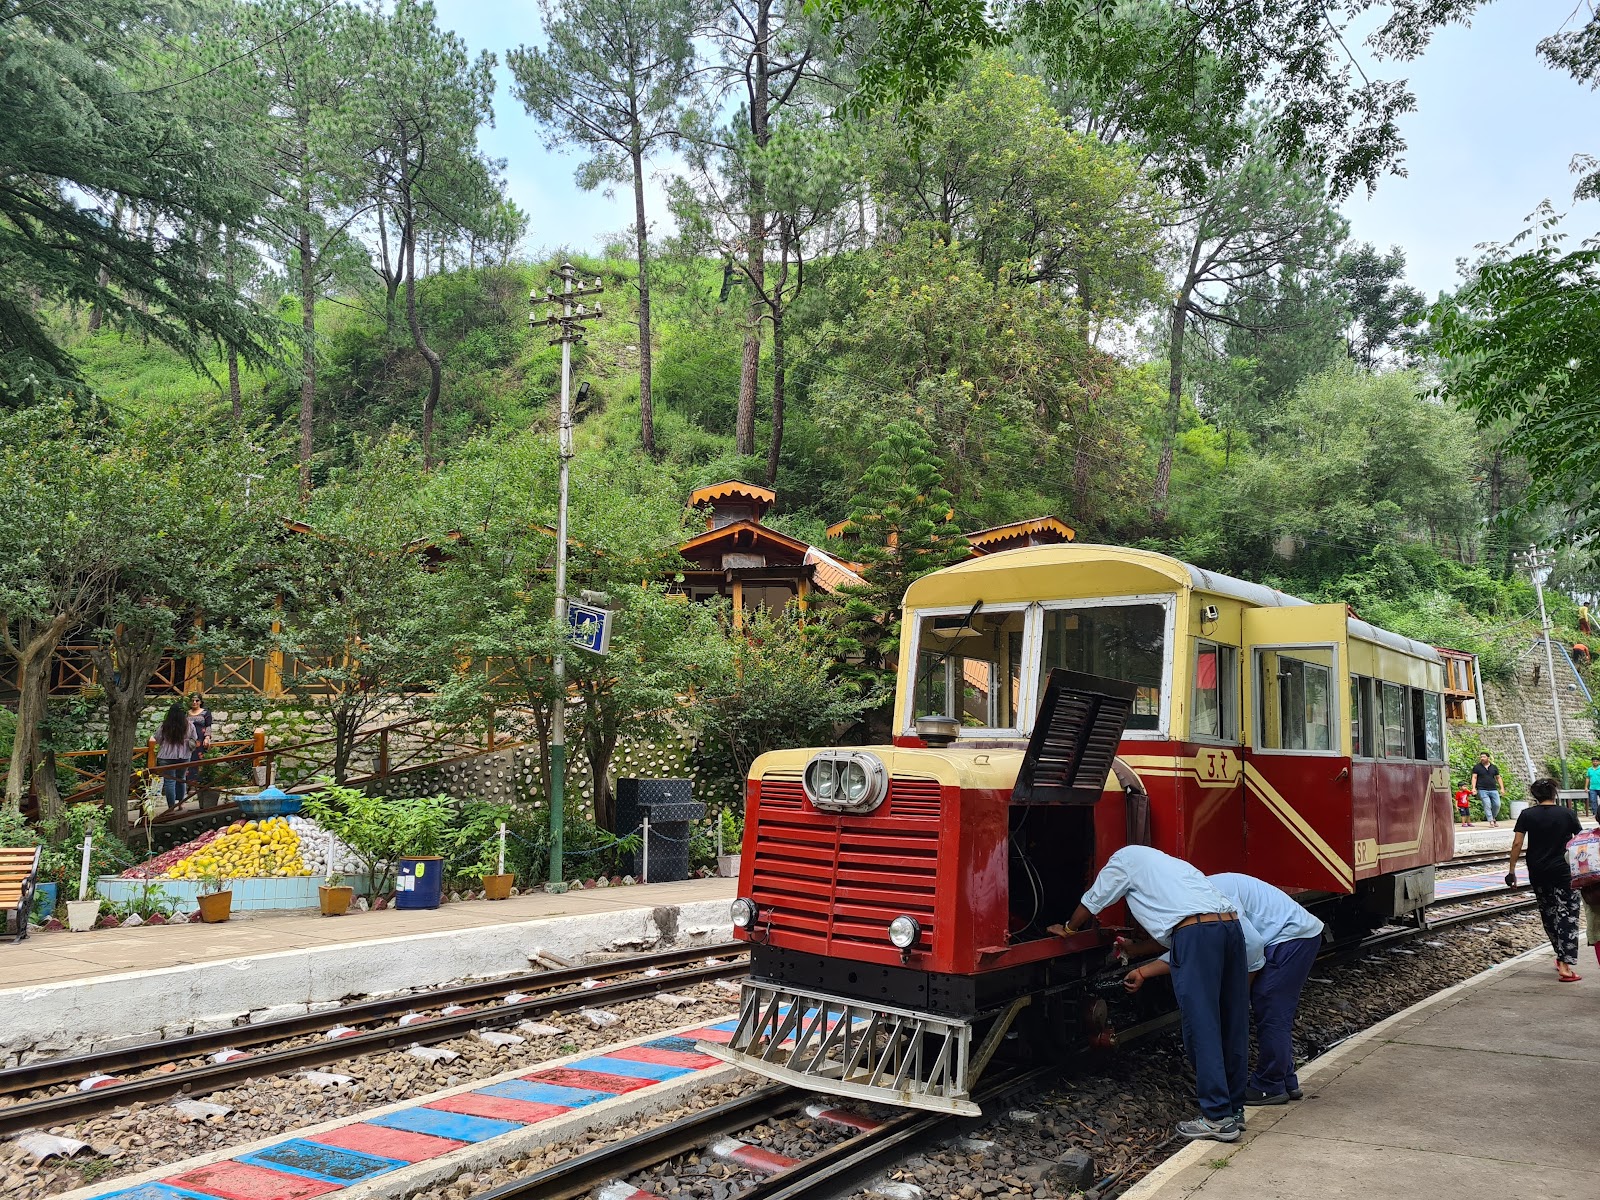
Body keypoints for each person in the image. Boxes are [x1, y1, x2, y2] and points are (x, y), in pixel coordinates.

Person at [1048, 846, 1252, 1143]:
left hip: (1197, 936)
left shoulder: (1124, 859)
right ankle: (1234, 1111)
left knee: (1202, 1025)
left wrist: (1068, 928)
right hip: (1231, 927)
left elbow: (1094, 901)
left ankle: (1217, 1117)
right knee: (1233, 1020)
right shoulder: (1170, 865)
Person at [1506, 778, 1583, 982]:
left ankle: (1560, 956)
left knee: (1549, 915)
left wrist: (1512, 870)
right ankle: (1565, 966)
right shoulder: (1567, 813)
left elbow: (1517, 844)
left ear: (1535, 795)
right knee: (1568, 915)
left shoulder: (1527, 815)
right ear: (1554, 793)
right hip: (1564, 873)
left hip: (1538, 872)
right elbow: (1580, 842)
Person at [154, 702, 196, 811]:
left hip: (166, 756)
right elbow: (194, 737)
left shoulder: (165, 725)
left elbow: (157, 739)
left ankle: (171, 808)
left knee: (169, 782)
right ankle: (181, 803)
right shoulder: (189, 725)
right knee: (181, 778)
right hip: (184, 755)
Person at [185, 692, 213, 787]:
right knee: (187, 761)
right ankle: (187, 784)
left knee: (197, 762)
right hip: (188, 740)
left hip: (200, 740)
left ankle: (196, 785)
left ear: (200, 702)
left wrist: (207, 737)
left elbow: (208, 726)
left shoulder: (205, 713)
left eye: (197, 700)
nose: (194, 702)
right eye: (192, 700)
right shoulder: (186, 713)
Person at [1471, 752, 1503, 827]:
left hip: (1493, 789)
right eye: (1481, 757)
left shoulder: (1494, 767)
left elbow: (1498, 777)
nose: (1482, 758)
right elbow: (1474, 777)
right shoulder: (1477, 767)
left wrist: (1502, 788)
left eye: (1484, 757)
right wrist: (1473, 788)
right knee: (1487, 804)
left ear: (1488, 758)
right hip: (1482, 789)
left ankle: (1493, 817)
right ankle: (1491, 821)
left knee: (1497, 804)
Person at [1587, 756, 1600, 824]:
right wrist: (1586, 787)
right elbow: (1588, 778)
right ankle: (1595, 814)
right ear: (1592, 762)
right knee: (1593, 800)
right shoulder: (1589, 769)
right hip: (1592, 788)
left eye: (1596, 761)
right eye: (1594, 761)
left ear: (1599, 762)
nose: (1595, 762)